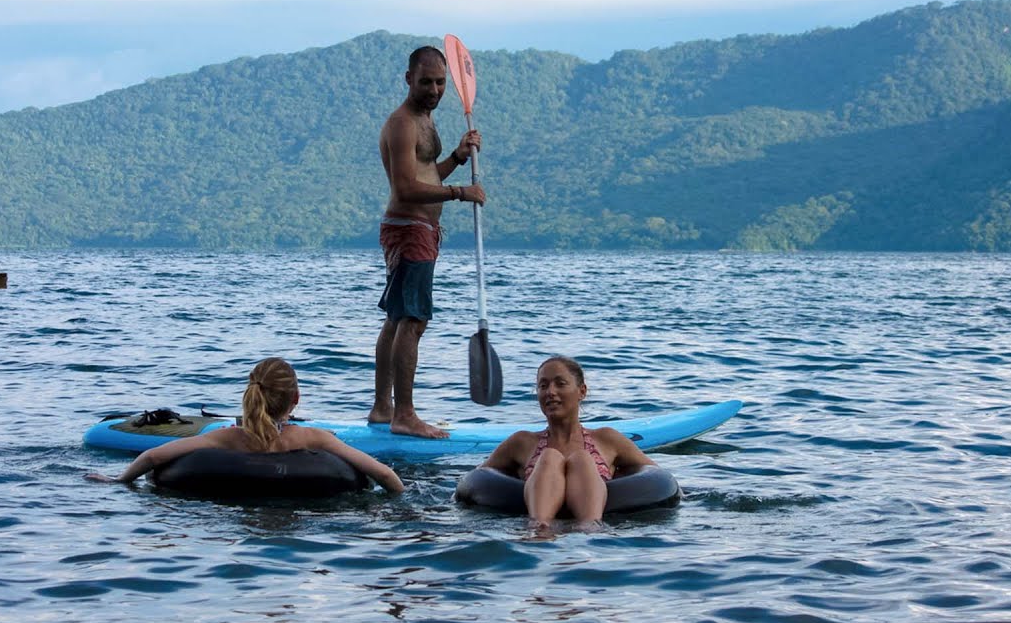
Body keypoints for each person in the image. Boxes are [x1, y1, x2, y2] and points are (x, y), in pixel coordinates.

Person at [368, 45, 486, 439]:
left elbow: (425, 174)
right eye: (425, 82)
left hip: (419, 231)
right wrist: (460, 193)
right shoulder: (402, 124)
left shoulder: (425, 120)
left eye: (440, 82)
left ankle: (383, 409)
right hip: (409, 229)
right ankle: (404, 414)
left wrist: (456, 156)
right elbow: (404, 188)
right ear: (408, 80)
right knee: (413, 321)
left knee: (398, 318)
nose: (434, 89)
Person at [86, 357, 405, 493]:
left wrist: (119, 480)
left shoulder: (227, 438)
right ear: (296, 399)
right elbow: (383, 474)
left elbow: (153, 457)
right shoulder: (313, 438)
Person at [481, 356, 657, 531]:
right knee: (549, 457)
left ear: (582, 391)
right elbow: (477, 480)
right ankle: (539, 528)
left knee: (582, 459)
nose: (550, 391)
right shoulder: (522, 442)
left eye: (560, 383)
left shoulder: (607, 439)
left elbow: (655, 476)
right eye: (543, 386)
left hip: (594, 528)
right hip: (537, 523)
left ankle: (589, 527)